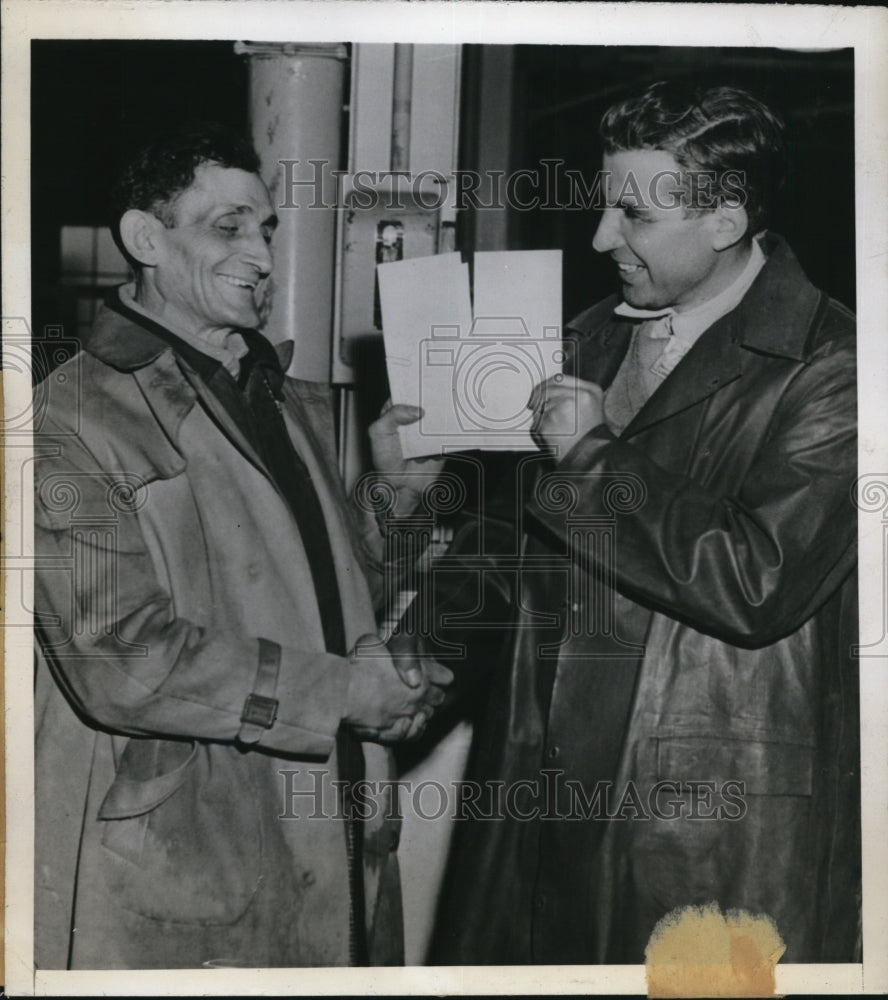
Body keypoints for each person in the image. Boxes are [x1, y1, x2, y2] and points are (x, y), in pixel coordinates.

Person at [425, 81, 860, 964]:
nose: (600, 239)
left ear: (726, 221)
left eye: (634, 217)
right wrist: (417, 660)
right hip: (538, 804)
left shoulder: (834, 367)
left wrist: (588, 456)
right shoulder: (590, 338)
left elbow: (757, 580)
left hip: (700, 821)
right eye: (603, 207)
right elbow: (510, 544)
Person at [33, 123, 449, 969]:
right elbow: (124, 661)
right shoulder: (67, 418)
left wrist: (392, 493)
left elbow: (325, 595)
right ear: (145, 239)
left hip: (321, 824)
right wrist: (345, 695)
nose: (262, 255)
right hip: (192, 850)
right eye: (227, 228)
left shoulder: (279, 395)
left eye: (265, 229)